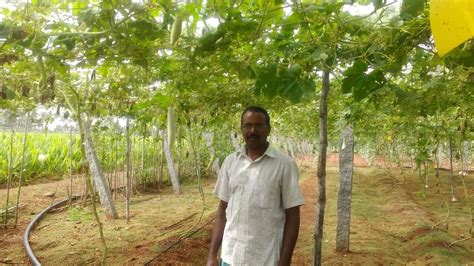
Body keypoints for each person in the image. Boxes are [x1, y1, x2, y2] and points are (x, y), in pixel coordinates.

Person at [207, 106, 304, 266]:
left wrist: (285, 261)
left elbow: (293, 217)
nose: (252, 130)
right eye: (247, 125)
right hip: (231, 256)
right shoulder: (231, 162)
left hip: (266, 259)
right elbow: (222, 210)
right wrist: (212, 255)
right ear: (242, 129)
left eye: (258, 125)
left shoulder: (284, 165)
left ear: (268, 129)